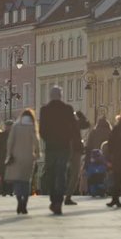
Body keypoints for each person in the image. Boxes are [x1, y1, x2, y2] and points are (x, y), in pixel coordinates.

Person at [39, 86, 78, 215]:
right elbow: (73, 128)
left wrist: (48, 139)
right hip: (64, 146)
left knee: (50, 173)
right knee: (61, 173)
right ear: (61, 96)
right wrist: (69, 140)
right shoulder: (67, 109)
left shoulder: (44, 110)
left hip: (51, 147)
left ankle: (53, 199)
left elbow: (42, 130)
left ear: (50, 96)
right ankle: (59, 202)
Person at [4, 109, 40, 215]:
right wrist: (37, 154)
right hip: (29, 157)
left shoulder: (15, 126)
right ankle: (25, 202)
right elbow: (36, 141)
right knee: (26, 181)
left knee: (18, 181)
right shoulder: (32, 126)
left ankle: (19, 200)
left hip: (16, 157)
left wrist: (9, 154)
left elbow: (10, 141)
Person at [65, 111, 90, 205]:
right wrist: (80, 114)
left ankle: (64, 196)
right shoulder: (74, 124)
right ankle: (67, 196)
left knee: (66, 174)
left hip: (64, 151)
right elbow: (86, 124)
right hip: (74, 151)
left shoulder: (64, 124)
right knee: (75, 175)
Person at [0, 121, 13, 196]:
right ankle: (4, 190)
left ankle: (10, 190)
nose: (8, 127)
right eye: (7, 126)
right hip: (2, 157)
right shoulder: (1, 135)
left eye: (9, 126)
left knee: (11, 174)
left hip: (11, 156)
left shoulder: (14, 135)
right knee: (3, 174)